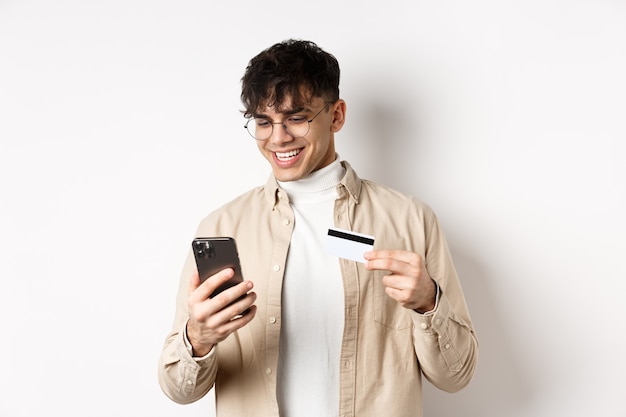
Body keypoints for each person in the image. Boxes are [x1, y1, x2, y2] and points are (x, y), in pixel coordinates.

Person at [158, 39, 478, 417]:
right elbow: (179, 391)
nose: (278, 138)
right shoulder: (223, 227)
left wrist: (429, 302)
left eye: (296, 118)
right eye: (263, 121)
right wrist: (199, 337)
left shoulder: (411, 220)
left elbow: (456, 376)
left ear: (337, 115)